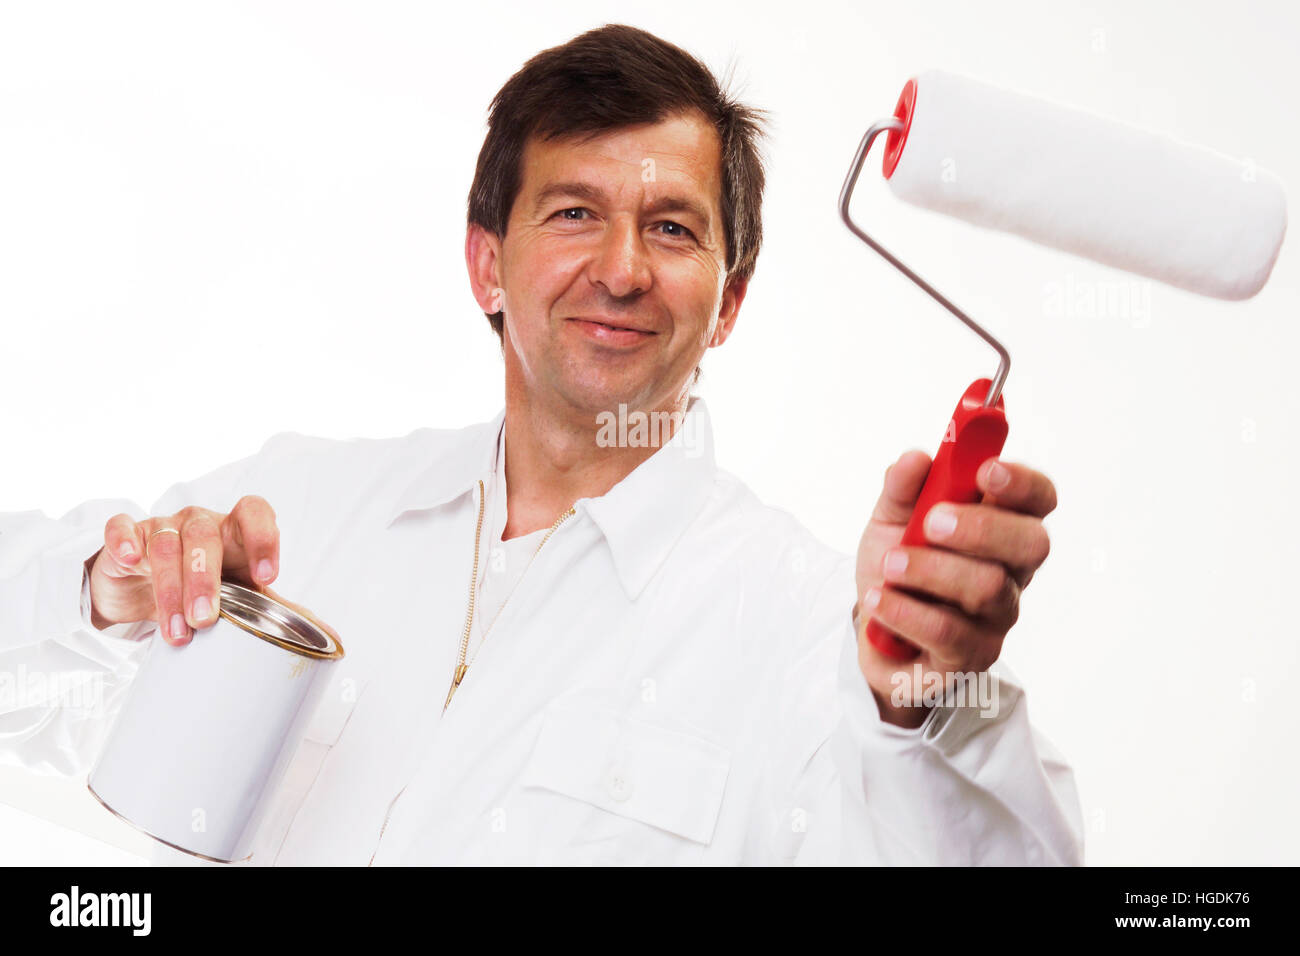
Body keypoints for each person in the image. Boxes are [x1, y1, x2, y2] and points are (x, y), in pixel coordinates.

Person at [0, 23, 1082, 865]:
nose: (620, 269)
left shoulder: (812, 632)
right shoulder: (298, 519)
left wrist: (923, 702)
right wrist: (103, 594)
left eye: (671, 227)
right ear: (486, 264)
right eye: (572, 212)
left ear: (731, 299)